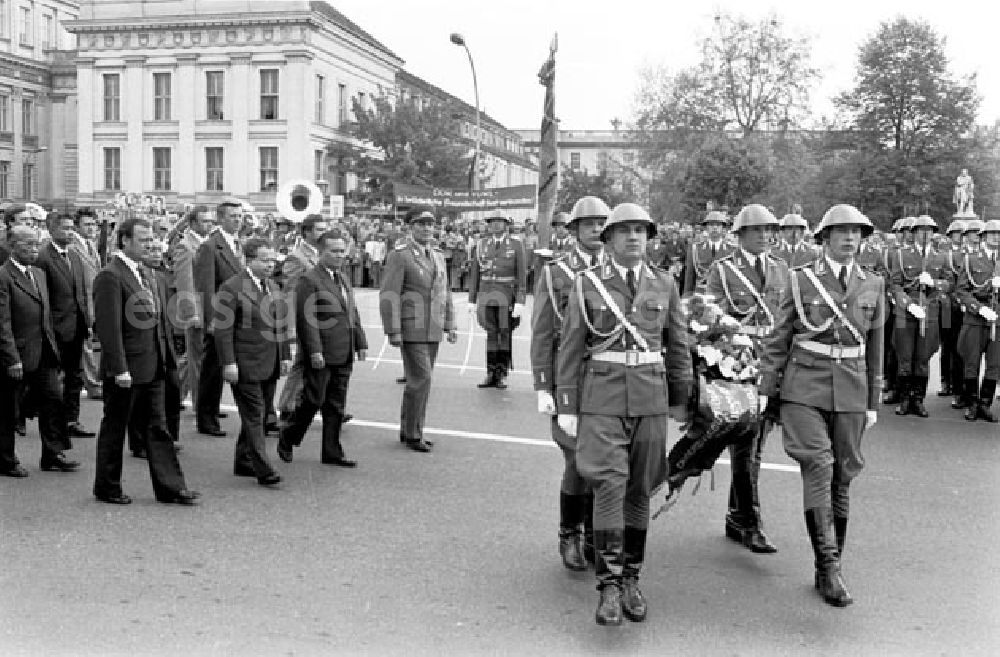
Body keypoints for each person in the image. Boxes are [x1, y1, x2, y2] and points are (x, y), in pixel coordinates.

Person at [555, 203, 691, 626]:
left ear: (649, 239)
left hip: (649, 396)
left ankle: (632, 578)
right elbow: (571, 347)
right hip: (603, 397)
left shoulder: (665, 284)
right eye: (625, 231)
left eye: (641, 231)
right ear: (609, 239)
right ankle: (609, 587)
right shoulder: (586, 284)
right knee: (610, 485)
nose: (634, 237)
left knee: (639, 489)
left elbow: (679, 346)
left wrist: (683, 400)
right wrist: (566, 406)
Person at [759, 204, 884, 608]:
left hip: (851, 385)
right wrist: (767, 387)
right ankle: (830, 567)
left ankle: (828, 564)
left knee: (843, 475)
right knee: (819, 463)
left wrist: (872, 400)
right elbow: (779, 338)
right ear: (825, 238)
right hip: (805, 384)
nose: (850, 239)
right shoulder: (800, 280)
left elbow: (875, 347)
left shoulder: (873, 284)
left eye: (856, 233)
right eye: (842, 232)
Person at [92, 218, 199, 505]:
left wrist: (167, 359)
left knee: (157, 427)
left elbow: (158, 321)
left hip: (153, 365)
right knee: (116, 428)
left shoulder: (146, 273)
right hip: (127, 368)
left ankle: (171, 487)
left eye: (151, 239)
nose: (150, 244)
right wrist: (119, 368)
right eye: (143, 239)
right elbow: (109, 328)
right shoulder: (110, 275)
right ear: (125, 241)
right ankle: (107, 486)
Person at [531, 195, 609, 571]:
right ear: (574, 230)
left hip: (611, 378)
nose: (596, 229)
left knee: (606, 460)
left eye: (601, 224)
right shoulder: (555, 272)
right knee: (577, 460)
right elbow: (543, 332)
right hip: (571, 375)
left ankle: (597, 534)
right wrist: (544, 386)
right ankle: (571, 533)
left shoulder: (619, 270)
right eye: (588, 223)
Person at [705, 204, 788, 554]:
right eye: (757, 231)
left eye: (769, 230)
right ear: (739, 235)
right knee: (747, 442)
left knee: (755, 442)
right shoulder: (723, 271)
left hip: (771, 361)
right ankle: (748, 520)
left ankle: (737, 515)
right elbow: (710, 320)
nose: (765, 236)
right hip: (739, 363)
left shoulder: (782, 269)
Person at [278, 232, 366, 466]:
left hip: (343, 349)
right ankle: (289, 434)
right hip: (322, 351)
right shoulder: (310, 279)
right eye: (334, 251)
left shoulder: (343, 278)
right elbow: (307, 319)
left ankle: (332, 451)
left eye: (342, 251)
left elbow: (352, 313)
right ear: (321, 252)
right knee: (313, 400)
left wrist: (360, 341)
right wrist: (315, 351)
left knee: (336, 405)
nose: (340, 255)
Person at [0, 226, 78, 477]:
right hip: (17, 353)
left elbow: (45, 315)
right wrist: (11, 358)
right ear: (13, 246)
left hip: (43, 350)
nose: (34, 250)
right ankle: (6, 460)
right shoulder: (3, 276)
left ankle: (53, 453)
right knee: (8, 410)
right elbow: (3, 322)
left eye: (36, 245)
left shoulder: (38, 274)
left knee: (53, 400)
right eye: (28, 245)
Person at [379, 206, 457, 453]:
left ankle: (411, 429)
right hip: (411, 326)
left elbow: (445, 292)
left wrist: (450, 323)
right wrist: (393, 330)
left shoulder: (437, 255)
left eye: (429, 224)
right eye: (420, 224)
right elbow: (389, 294)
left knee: (421, 381)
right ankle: (413, 433)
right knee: (421, 379)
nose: (426, 228)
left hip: (432, 327)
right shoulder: (400, 255)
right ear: (410, 227)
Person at [214, 238, 291, 485]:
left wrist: (286, 355)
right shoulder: (232, 287)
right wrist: (228, 363)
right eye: (264, 260)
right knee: (255, 415)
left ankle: (243, 460)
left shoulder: (271, 286)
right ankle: (263, 467)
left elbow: (280, 323)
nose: (270, 265)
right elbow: (223, 330)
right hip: (244, 362)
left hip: (269, 361)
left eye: (272, 260)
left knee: (257, 413)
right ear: (249, 259)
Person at [35, 212, 96, 439]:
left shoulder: (76, 257)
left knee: (75, 376)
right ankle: (49, 420)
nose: (70, 232)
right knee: (51, 380)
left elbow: (80, 292)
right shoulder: (43, 257)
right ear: (51, 230)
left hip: (76, 327)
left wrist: (87, 321)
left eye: (72, 228)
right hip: (55, 329)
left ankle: (72, 420)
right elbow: (42, 296)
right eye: (65, 228)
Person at [888, 215, 952, 417]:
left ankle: (918, 399)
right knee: (905, 357)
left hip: (930, 312)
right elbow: (895, 284)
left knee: (922, 358)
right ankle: (905, 399)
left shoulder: (940, 257)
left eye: (929, 230)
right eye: (921, 230)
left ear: (933, 234)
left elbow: (949, 283)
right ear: (913, 233)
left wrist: (934, 283)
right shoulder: (901, 256)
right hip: (906, 313)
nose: (925, 234)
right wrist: (907, 304)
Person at [193, 198, 244, 436]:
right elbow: (205, 287)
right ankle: (206, 418)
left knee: (227, 366)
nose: (239, 220)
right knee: (212, 369)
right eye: (234, 216)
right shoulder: (210, 246)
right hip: (221, 317)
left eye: (240, 216)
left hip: (238, 315)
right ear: (221, 218)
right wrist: (212, 319)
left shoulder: (237, 243)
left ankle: (213, 411)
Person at [468, 212, 527, 389]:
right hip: (487, 296)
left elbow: (521, 275)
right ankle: (490, 372)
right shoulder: (481, 244)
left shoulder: (516, 245)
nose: (495, 225)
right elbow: (475, 274)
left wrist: (520, 301)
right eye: (492, 222)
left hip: (506, 296)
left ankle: (501, 373)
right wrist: (472, 300)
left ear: (506, 224)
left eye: (499, 222)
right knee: (491, 334)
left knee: (505, 334)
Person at [954, 219, 1000, 422]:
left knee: (994, 364)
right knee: (971, 362)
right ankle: (972, 403)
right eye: (992, 234)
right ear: (983, 237)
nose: (996, 237)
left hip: (997, 320)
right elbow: (962, 291)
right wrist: (980, 309)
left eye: (999, 234)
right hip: (975, 318)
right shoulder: (970, 260)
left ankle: (985, 403)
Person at [170, 206, 214, 410]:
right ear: (193, 223)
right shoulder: (185, 247)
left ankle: (172, 395)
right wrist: (192, 315)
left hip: (211, 309)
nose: (209, 224)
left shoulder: (208, 243)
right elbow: (185, 284)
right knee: (198, 361)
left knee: (191, 358)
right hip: (197, 312)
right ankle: (201, 404)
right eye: (205, 221)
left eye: (211, 221)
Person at [70, 209, 104, 401]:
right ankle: (93, 385)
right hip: (82, 303)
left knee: (87, 345)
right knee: (85, 346)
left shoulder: (90, 245)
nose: (92, 228)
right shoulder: (74, 247)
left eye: (94, 224)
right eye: (87, 225)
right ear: (77, 226)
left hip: (94, 300)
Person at [938, 219, 967, 399]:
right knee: (947, 345)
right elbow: (943, 280)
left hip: (963, 305)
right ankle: (945, 381)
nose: (959, 237)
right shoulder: (945, 256)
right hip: (948, 306)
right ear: (950, 236)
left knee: (962, 346)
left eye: (962, 234)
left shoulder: (969, 255)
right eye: (956, 234)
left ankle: (959, 382)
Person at [683, 210, 733, 295]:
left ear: (723, 228)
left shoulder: (732, 250)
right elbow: (689, 280)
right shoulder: (695, 249)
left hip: (724, 297)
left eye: (718, 225)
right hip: (701, 298)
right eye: (711, 225)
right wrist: (687, 299)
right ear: (706, 228)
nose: (715, 228)